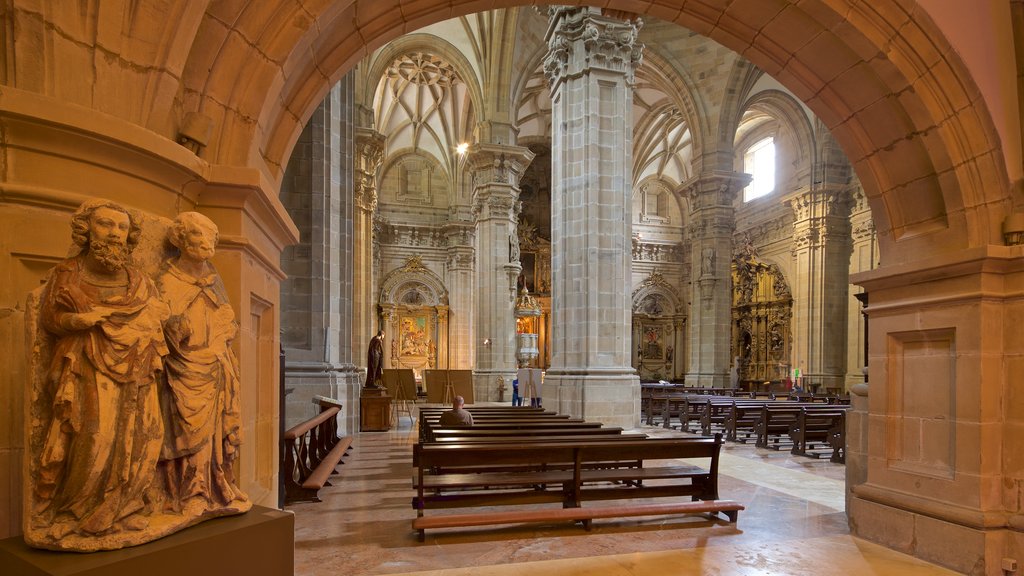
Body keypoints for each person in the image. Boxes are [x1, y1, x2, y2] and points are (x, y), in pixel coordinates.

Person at [33, 199, 170, 540]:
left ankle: (124, 507)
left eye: (122, 228)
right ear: (87, 229)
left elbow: (156, 319)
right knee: (95, 438)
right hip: (89, 365)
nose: (115, 234)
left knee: (144, 438)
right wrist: (78, 320)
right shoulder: (69, 273)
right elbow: (50, 319)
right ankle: (75, 510)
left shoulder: (138, 279)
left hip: (137, 367)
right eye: (106, 225)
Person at [155, 212, 249, 516]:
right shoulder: (168, 280)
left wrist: (223, 334)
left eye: (211, 236)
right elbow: (165, 326)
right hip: (185, 368)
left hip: (216, 366)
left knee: (217, 434)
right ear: (181, 239)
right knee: (186, 432)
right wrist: (177, 325)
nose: (206, 242)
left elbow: (228, 318)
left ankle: (214, 484)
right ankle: (189, 491)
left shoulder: (213, 278)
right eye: (198, 235)